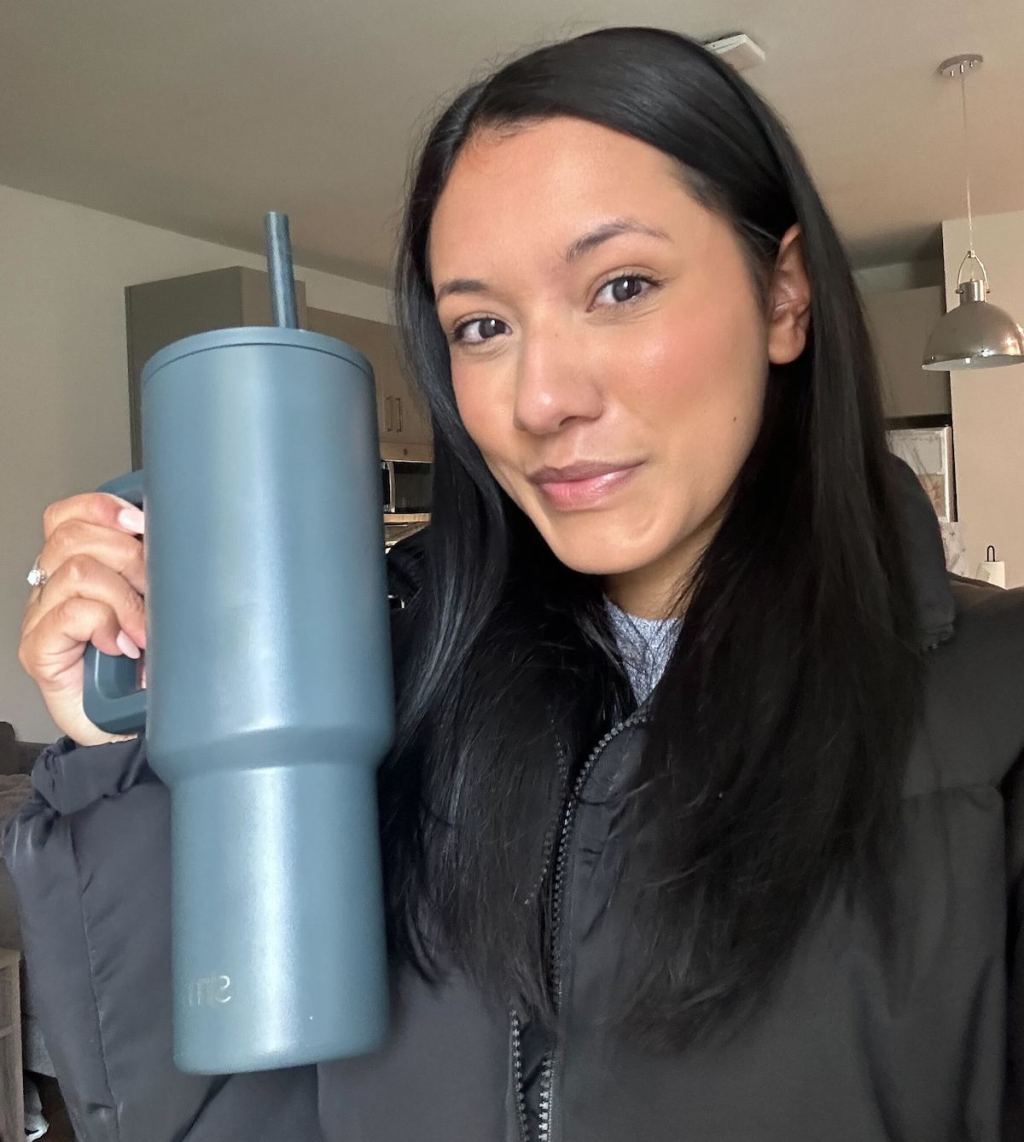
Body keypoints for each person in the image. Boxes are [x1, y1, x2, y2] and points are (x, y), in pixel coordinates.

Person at [8, 25, 1024, 1142]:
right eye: (481, 325)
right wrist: (133, 754)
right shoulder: (393, 712)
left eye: (620, 285)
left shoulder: (994, 717)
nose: (541, 398)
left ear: (783, 296)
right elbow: (235, 1114)